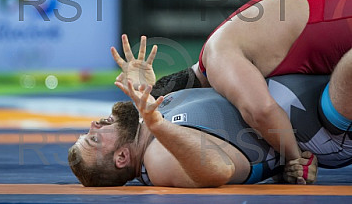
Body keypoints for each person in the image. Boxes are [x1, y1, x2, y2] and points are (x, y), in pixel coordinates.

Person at [110, 0, 352, 183]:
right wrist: (146, 91)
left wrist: (294, 160)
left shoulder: (218, 58)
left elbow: (261, 111)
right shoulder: (218, 47)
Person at [69, 71, 352, 187]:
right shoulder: (158, 161)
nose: (94, 124)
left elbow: (211, 75)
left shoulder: (154, 115)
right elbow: (220, 169)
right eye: (93, 139)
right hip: (327, 123)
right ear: (121, 158)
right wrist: (157, 125)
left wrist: (153, 86)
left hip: (311, 84)